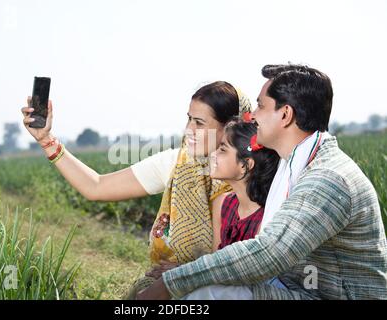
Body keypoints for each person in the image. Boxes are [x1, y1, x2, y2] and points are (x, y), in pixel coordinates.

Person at [137, 64, 387, 300]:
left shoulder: (328, 178)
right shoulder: (292, 163)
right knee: (207, 284)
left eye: (260, 106)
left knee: (211, 293)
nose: (252, 115)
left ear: (285, 114)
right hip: (296, 288)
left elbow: (269, 253)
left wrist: (172, 282)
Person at [20, 81, 252, 296]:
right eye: (189, 119)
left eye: (199, 123)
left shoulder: (254, 179)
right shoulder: (178, 164)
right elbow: (97, 187)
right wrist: (46, 139)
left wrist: (184, 272)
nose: (188, 130)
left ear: (230, 127)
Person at [145, 119, 280, 283]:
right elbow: (215, 262)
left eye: (222, 149)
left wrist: (185, 272)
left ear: (246, 165)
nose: (213, 154)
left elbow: (250, 277)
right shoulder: (223, 204)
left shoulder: (267, 218)